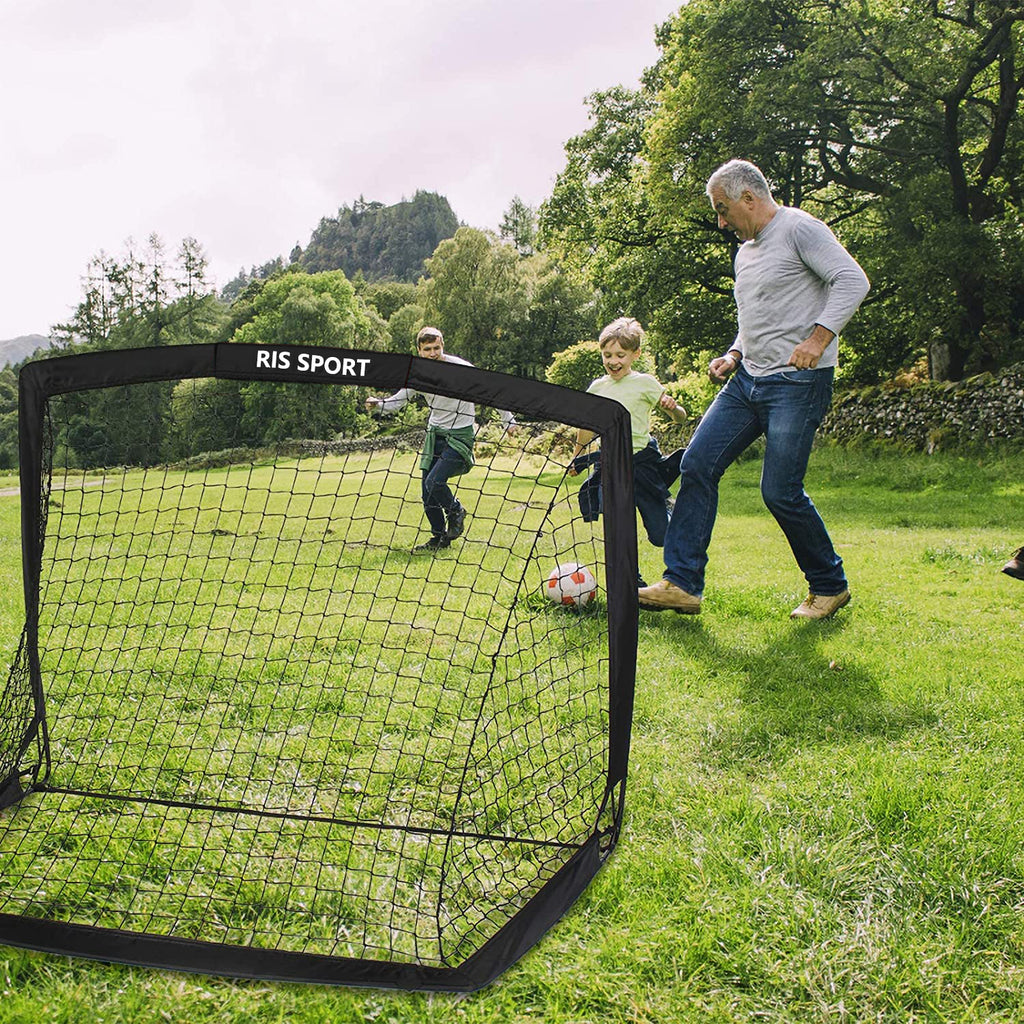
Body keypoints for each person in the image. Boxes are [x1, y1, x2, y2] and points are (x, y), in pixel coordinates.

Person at [638, 158, 870, 619]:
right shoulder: (746, 253)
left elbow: (852, 280)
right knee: (697, 463)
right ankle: (682, 583)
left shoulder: (800, 228)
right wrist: (735, 354)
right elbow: (760, 316)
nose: (722, 222)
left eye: (723, 210)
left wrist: (819, 338)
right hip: (748, 381)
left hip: (797, 383)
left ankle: (829, 586)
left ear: (749, 197)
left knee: (780, 491)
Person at [366, 326, 516, 553]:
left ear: (442, 346)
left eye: (436, 348)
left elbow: (491, 391)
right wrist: (378, 403)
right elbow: (397, 401)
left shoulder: (461, 369)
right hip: (435, 435)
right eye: (428, 349)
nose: (433, 353)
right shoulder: (417, 375)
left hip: (460, 435)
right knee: (427, 493)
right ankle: (439, 538)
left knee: (435, 482)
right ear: (419, 350)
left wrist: (509, 422)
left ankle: (456, 510)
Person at [567, 317, 687, 585]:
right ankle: (633, 582)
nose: (613, 361)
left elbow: (680, 418)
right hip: (609, 466)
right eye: (607, 355)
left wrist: (672, 408)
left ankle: (670, 509)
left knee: (660, 535)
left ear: (636, 354)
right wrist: (577, 457)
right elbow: (585, 428)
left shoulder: (645, 383)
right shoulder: (597, 388)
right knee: (618, 529)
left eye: (620, 355)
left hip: (641, 464)